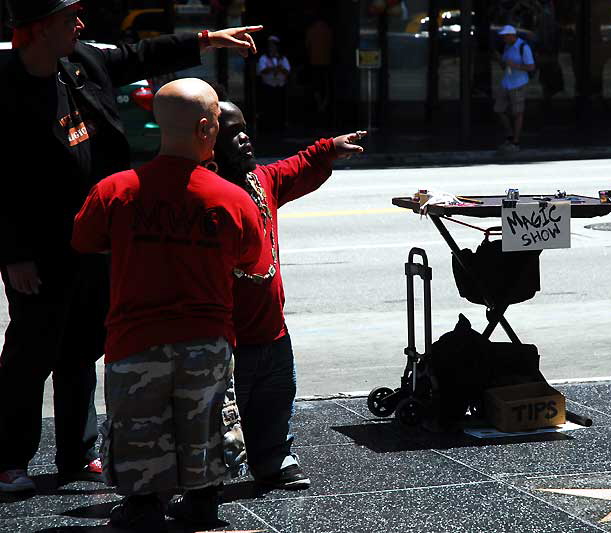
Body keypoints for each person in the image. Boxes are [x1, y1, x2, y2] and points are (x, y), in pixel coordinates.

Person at [0, 0, 262, 494]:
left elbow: (139, 55)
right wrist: (12, 253)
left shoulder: (80, 61)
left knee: (82, 348)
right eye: (66, 18)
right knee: (30, 350)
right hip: (38, 247)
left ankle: (77, 453)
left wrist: (207, 40)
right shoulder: (8, 87)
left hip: (97, 237)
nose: (79, 25)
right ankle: (9, 457)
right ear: (37, 29)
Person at [71, 78, 263, 532]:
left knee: (138, 428)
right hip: (207, 341)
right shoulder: (232, 198)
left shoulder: (114, 191)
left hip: (135, 339)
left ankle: (142, 506)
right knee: (206, 426)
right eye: (216, 120)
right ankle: (201, 504)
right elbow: (252, 261)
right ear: (204, 129)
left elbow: (84, 240)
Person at [213, 99, 366, 490]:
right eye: (231, 132)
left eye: (244, 128)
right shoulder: (202, 192)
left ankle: (275, 458)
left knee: (276, 401)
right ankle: (209, 479)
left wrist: (330, 148)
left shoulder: (259, 181)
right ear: (205, 138)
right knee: (224, 413)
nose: (244, 138)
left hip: (271, 329)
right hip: (227, 336)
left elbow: (295, 168)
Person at [494, 25, 535, 152]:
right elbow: (505, 65)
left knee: (517, 113)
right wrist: (499, 60)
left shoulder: (524, 47)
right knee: (498, 109)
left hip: (518, 83)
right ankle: (510, 135)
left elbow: (531, 67)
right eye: (503, 36)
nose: (504, 39)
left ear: (512, 35)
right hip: (507, 82)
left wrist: (515, 65)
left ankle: (515, 142)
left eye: (506, 36)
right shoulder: (507, 46)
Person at [257, 35, 291, 133]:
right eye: (271, 46)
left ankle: (280, 127)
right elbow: (262, 70)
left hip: (280, 86)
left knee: (280, 108)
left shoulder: (282, 58)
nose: (272, 48)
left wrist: (280, 69)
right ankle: (268, 128)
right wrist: (274, 69)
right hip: (268, 86)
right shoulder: (264, 58)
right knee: (268, 108)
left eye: (274, 46)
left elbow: (287, 70)